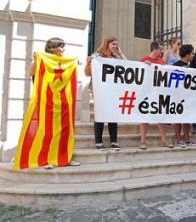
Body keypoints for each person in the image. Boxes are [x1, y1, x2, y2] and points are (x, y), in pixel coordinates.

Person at [29, 37, 80, 168]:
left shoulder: (63, 63)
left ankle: (64, 158)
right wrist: (36, 60)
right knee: (47, 132)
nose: (63, 50)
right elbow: (31, 73)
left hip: (63, 104)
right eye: (60, 47)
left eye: (63, 47)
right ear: (52, 48)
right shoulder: (42, 60)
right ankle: (45, 159)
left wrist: (74, 63)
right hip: (47, 103)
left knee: (64, 131)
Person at [84, 36, 126, 151]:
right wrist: (88, 63)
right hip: (100, 91)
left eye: (117, 44)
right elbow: (87, 73)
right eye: (113, 44)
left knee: (113, 116)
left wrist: (120, 53)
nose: (115, 46)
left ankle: (114, 141)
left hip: (113, 91)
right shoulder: (97, 56)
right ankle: (98, 141)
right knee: (100, 115)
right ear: (107, 44)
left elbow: (127, 67)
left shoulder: (116, 58)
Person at [139, 41, 174, 149]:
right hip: (146, 92)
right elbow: (138, 74)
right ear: (155, 49)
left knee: (160, 116)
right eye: (161, 49)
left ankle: (164, 140)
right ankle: (143, 141)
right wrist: (145, 66)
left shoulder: (161, 62)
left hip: (158, 93)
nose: (162, 51)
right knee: (145, 116)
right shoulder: (143, 60)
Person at [173, 44, 196, 147]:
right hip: (177, 96)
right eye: (192, 53)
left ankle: (187, 139)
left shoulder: (192, 67)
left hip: (188, 96)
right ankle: (178, 139)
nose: (193, 55)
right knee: (177, 118)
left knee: (187, 117)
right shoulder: (175, 65)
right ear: (187, 54)